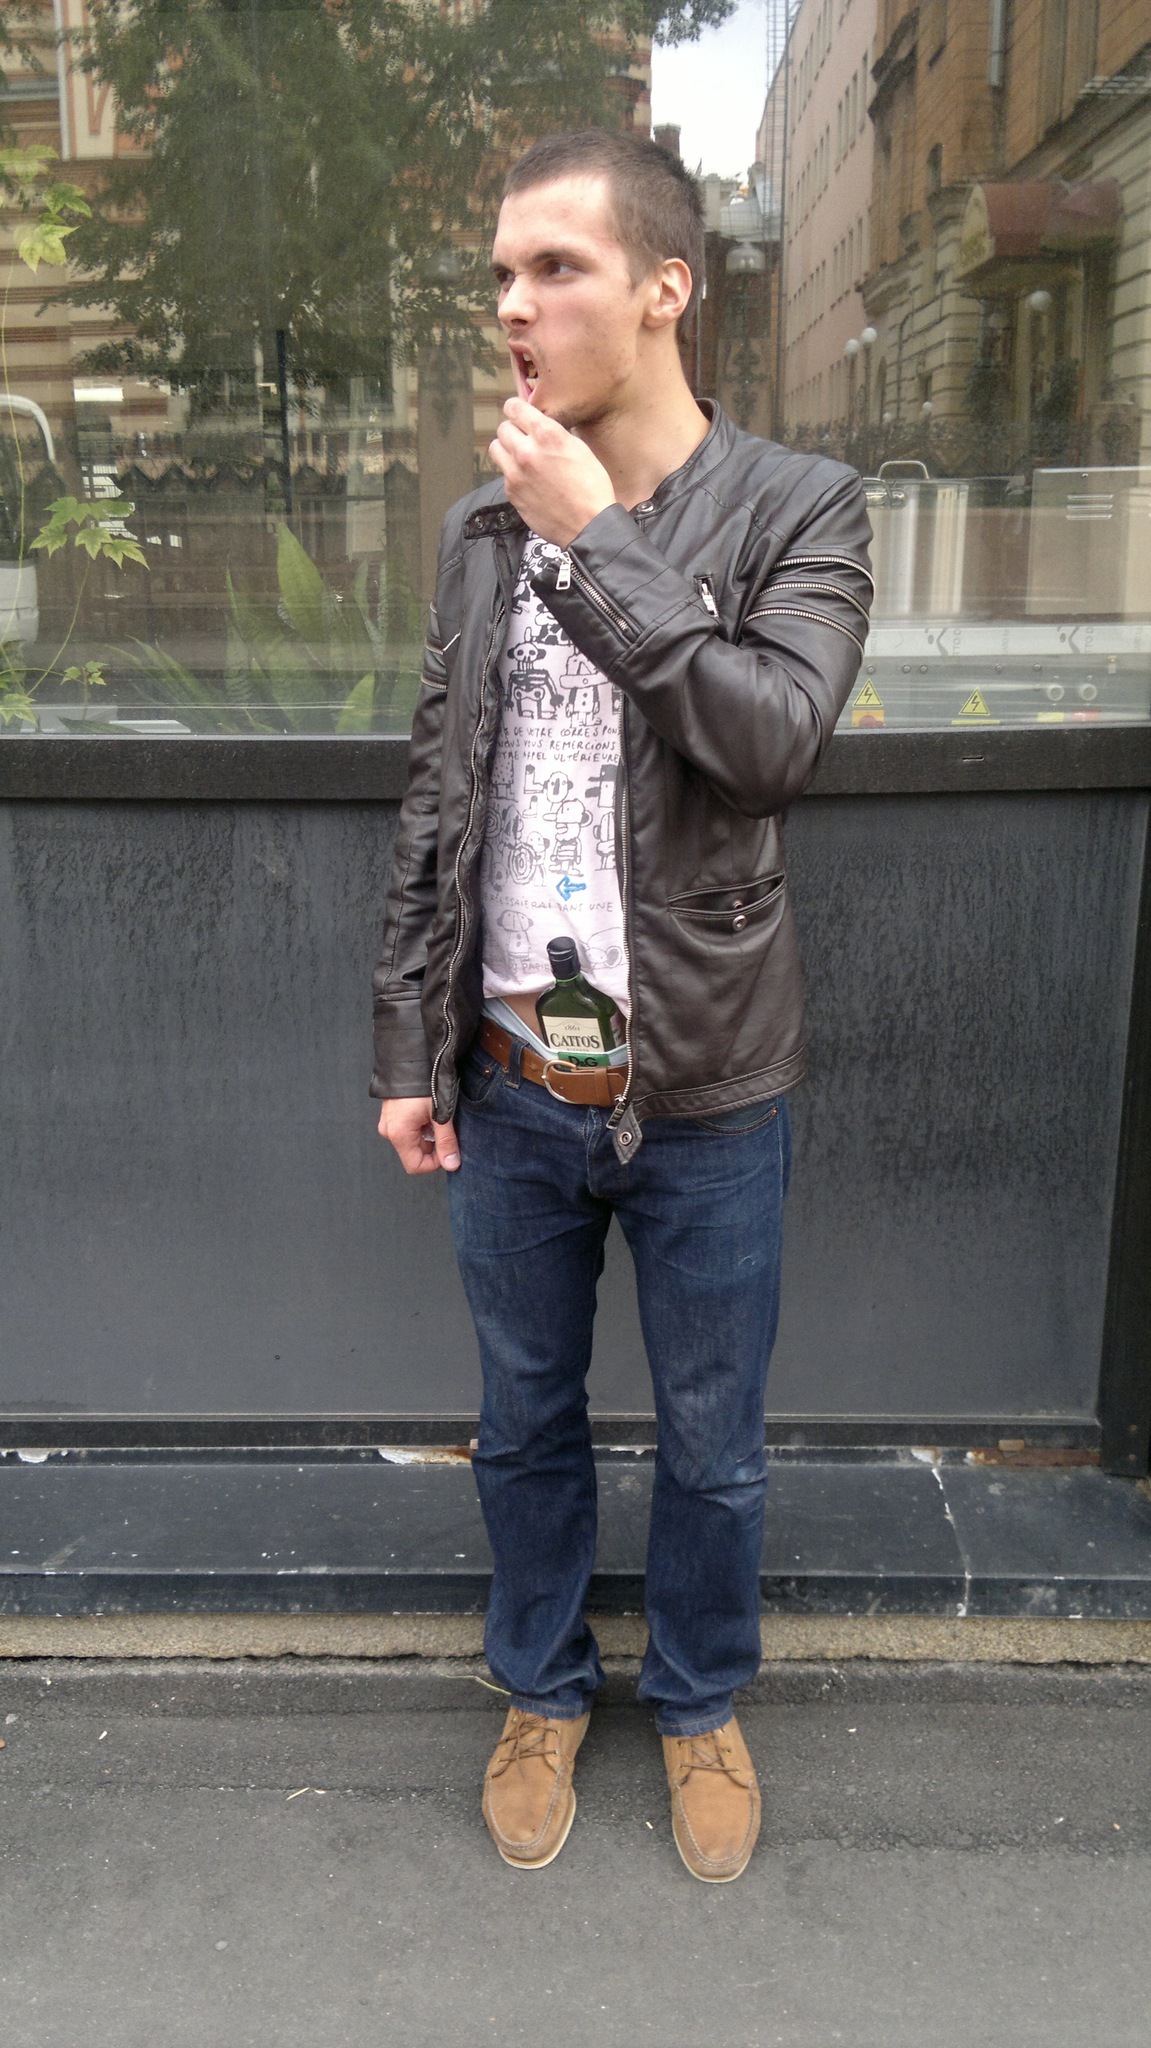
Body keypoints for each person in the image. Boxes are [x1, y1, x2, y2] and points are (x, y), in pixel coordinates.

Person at [372, 128, 872, 1882]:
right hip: (512, 1077)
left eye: (556, 269)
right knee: (523, 1424)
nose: (513, 305)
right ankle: (539, 1685)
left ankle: (701, 1697)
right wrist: (409, 1045)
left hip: (711, 1084)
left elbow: (773, 742)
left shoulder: (799, 506)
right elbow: (440, 794)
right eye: (501, 275)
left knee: (716, 1447)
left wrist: (598, 539)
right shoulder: (477, 530)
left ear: (666, 289)